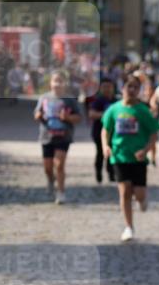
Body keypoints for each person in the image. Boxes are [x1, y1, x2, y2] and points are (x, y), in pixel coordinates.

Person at [101, 75, 159, 241]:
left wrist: (146, 150)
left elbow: (154, 133)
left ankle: (142, 200)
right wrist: (106, 146)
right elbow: (105, 130)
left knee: (139, 194)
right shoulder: (114, 109)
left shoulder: (143, 111)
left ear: (139, 90)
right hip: (119, 157)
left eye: (135, 87)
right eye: (128, 87)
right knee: (125, 191)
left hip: (138, 159)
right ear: (122, 89)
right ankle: (129, 227)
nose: (131, 90)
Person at [34, 70, 82, 203]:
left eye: (60, 81)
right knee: (48, 168)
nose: (57, 84)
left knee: (59, 165)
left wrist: (68, 117)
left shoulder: (70, 100)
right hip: (46, 136)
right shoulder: (44, 98)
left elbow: (78, 117)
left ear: (65, 84)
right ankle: (50, 180)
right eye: (55, 81)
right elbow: (37, 113)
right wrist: (38, 116)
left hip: (63, 136)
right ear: (50, 83)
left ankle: (61, 192)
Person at [88, 77, 117, 183]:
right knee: (100, 153)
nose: (107, 89)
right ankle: (98, 172)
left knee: (112, 153)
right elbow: (91, 114)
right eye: (104, 87)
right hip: (99, 132)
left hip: (114, 133)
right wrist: (107, 115)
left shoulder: (116, 101)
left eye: (109, 87)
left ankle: (111, 174)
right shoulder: (98, 100)